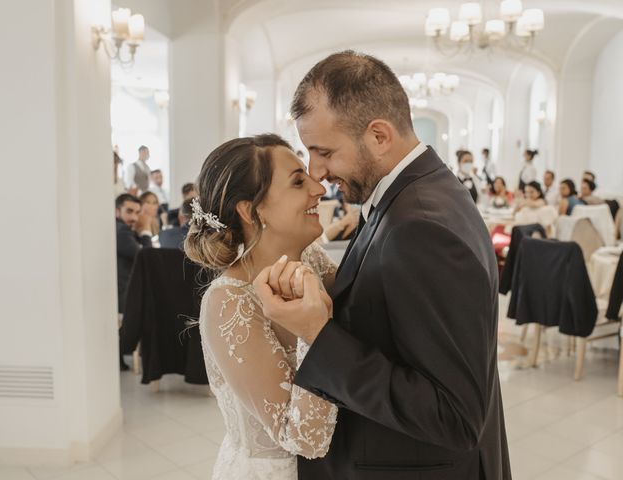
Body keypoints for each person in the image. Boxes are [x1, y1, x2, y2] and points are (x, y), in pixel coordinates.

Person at [254, 50, 510, 480]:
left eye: (324, 152)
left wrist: (318, 335)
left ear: (378, 136)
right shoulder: (417, 192)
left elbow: (454, 415)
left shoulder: (422, 227)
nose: (317, 172)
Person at [183, 134, 338, 479]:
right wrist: (314, 335)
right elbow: (303, 438)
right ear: (251, 210)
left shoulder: (310, 258)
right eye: (299, 182)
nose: (319, 188)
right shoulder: (230, 301)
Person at [115, 193, 152, 370]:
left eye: (137, 213)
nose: (134, 217)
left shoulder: (123, 230)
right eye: (129, 211)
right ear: (117, 211)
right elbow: (147, 257)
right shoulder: (121, 231)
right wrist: (145, 230)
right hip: (123, 296)